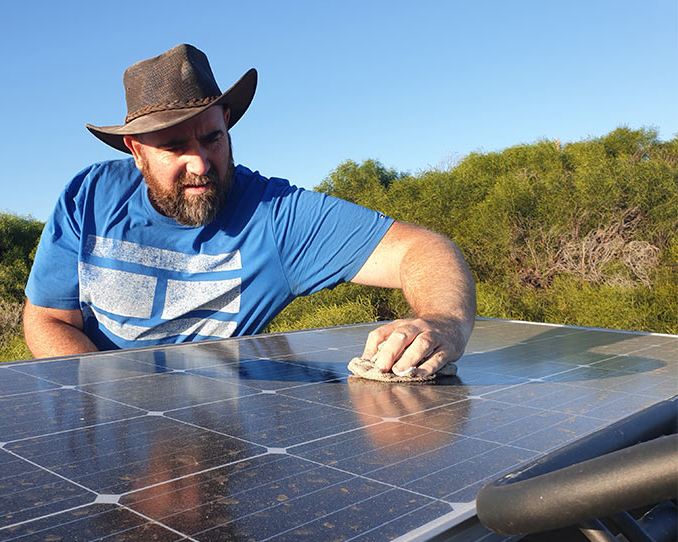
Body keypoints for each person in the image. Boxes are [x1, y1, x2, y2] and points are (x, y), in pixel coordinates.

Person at [23, 43, 475, 378]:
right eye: (175, 146)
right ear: (136, 151)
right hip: (106, 431)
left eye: (212, 138)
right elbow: (47, 319)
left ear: (228, 127)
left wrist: (442, 323)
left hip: (222, 439)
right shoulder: (90, 198)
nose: (199, 164)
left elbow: (422, 250)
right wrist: (120, 397)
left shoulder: (275, 217)